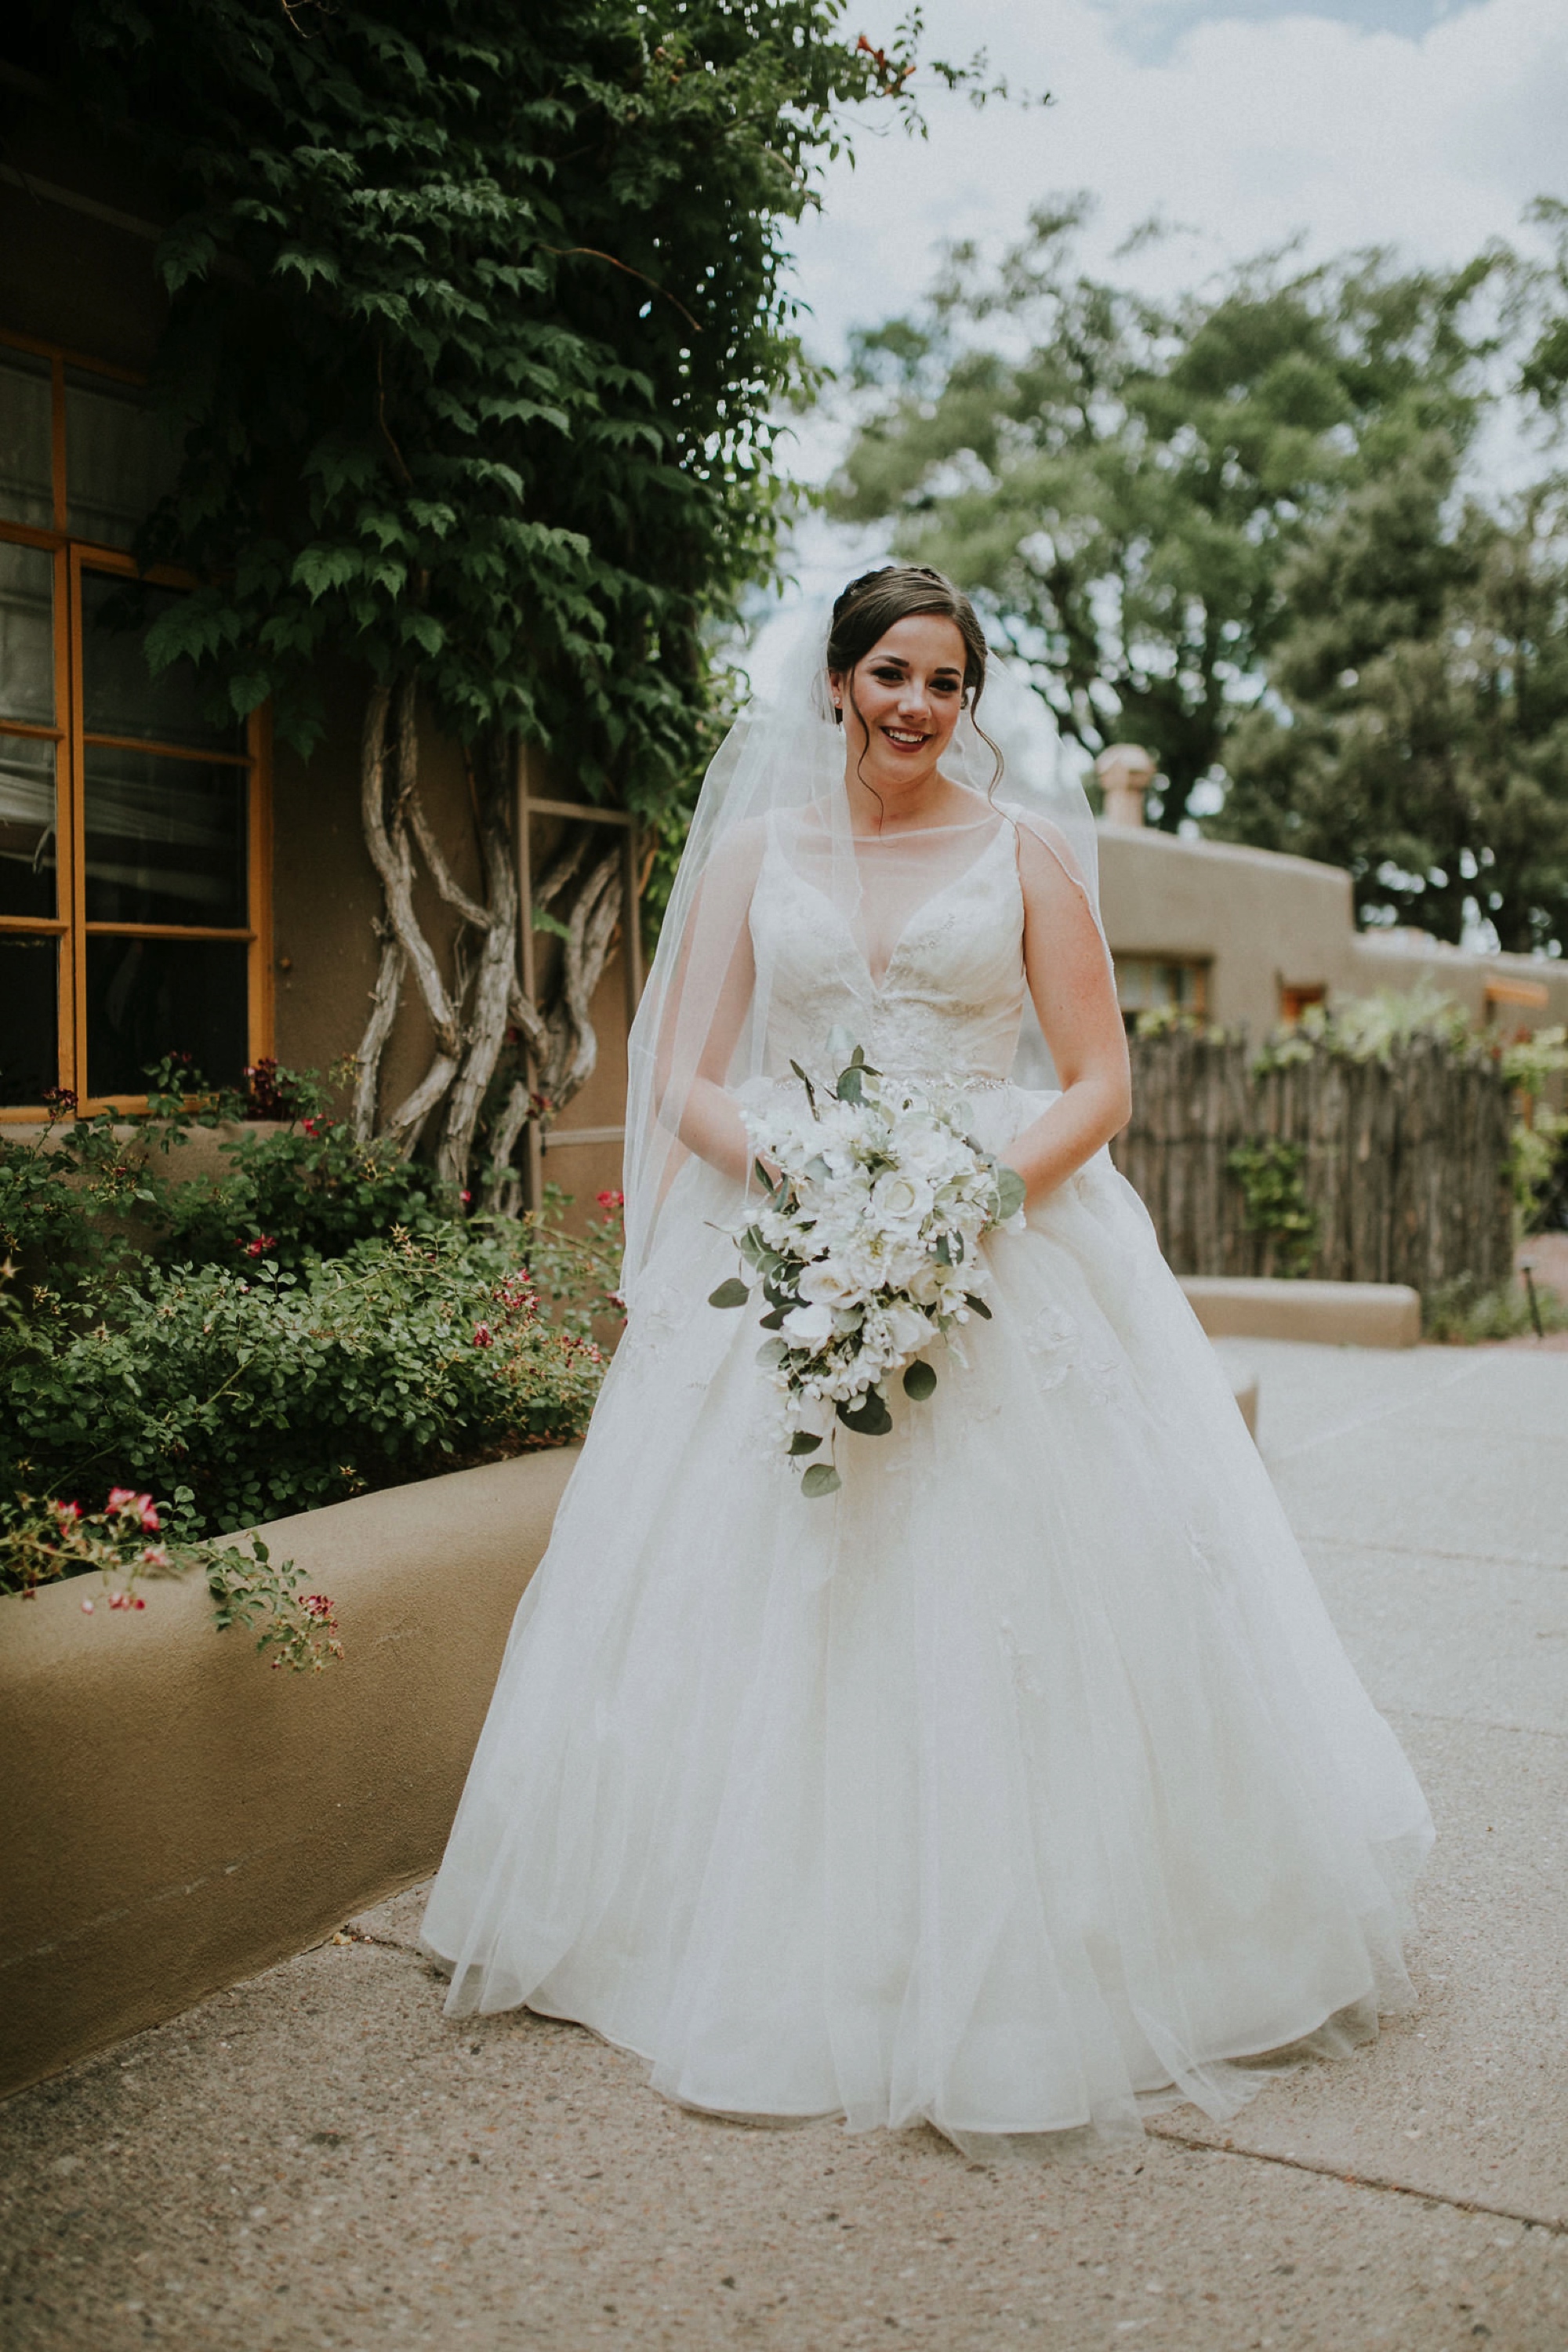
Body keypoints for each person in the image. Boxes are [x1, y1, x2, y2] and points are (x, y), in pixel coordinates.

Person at [421, 564, 1432, 2158]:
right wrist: (791, 1177)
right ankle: (744, 1935)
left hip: (998, 1236)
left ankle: (1054, 1947)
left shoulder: (1025, 855)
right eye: (890, 672)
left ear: (970, 703)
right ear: (835, 681)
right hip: (783, 1231)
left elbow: (1097, 1083)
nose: (916, 706)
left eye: (946, 682)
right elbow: (674, 1072)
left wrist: (966, 1202)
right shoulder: (757, 856)